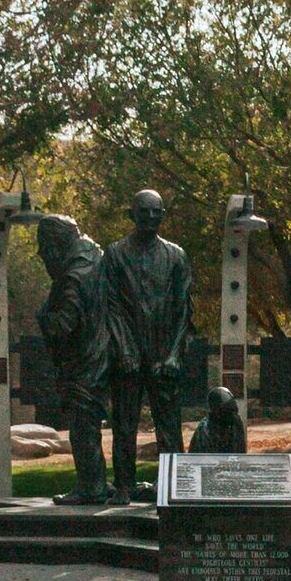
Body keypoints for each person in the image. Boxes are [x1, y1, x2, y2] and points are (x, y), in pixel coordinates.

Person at [102, 189, 196, 498]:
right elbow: (111, 306)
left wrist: (173, 356)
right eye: (145, 211)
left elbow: (184, 310)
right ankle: (124, 485)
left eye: (157, 212)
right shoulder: (115, 254)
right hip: (127, 355)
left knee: (169, 425)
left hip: (163, 355)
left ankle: (173, 486)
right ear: (132, 214)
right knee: (124, 425)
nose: (151, 217)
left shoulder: (176, 256)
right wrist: (124, 349)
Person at [31, 213, 115, 505]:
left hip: (85, 362)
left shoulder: (74, 275)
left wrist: (44, 318)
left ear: (56, 243)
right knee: (90, 426)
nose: (41, 254)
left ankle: (91, 487)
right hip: (103, 356)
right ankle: (99, 481)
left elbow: (65, 325)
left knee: (82, 427)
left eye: (43, 245)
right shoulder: (99, 260)